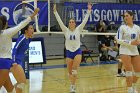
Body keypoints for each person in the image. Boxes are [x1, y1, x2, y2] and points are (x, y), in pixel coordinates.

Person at [53, 3, 92, 93]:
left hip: (77, 51)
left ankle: (73, 87)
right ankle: (72, 85)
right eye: (70, 22)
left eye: (72, 22)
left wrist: (89, 11)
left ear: (75, 24)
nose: (71, 23)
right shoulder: (65, 30)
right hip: (69, 52)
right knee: (70, 72)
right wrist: (55, 12)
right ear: (68, 24)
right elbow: (60, 22)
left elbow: (85, 20)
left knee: (74, 70)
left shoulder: (78, 29)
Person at [0, 8, 39, 93]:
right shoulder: (8, 33)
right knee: (21, 82)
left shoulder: (27, 38)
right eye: (31, 28)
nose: (32, 30)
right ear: (5, 24)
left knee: (11, 89)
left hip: (6, 63)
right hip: (8, 62)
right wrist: (33, 14)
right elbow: (21, 24)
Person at [116, 11, 140, 93]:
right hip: (124, 50)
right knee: (129, 70)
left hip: (134, 50)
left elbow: (139, 38)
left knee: (138, 72)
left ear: (132, 16)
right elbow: (118, 40)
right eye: (124, 16)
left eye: (127, 16)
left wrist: (138, 41)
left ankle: (133, 87)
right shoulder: (122, 27)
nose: (125, 17)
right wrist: (130, 42)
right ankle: (129, 90)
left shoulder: (137, 27)